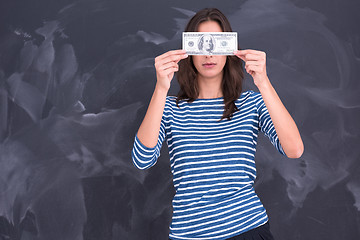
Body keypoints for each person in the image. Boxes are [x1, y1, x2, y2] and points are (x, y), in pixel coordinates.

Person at [132, 8, 303, 240]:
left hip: (247, 229)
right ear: (189, 51)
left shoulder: (251, 103)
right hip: (189, 234)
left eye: (217, 43)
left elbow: (294, 149)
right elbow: (142, 160)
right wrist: (161, 88)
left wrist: (263, 82)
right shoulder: (170, 108)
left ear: (229, 50)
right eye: (201, 44)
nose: (209, 54)